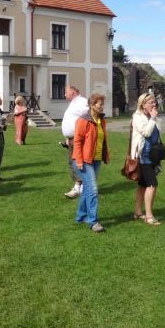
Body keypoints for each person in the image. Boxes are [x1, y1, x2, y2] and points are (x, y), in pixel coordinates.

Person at [73, 92, 109, 233]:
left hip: (96, 159)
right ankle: (93, 221)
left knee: (88, 189)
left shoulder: (101, 120)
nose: (102, 106)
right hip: (84, 160)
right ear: (92, 105)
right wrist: (79, 160)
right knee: (93, 189)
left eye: (102, 104)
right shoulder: (83, 120)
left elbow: (102, 140)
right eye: (100, 104)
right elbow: (77, 141)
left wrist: (106, 155)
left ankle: (81, 216)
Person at [130, 93, 163, 225]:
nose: (154, 104)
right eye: (151, 102)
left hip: (153, 154)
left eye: (154, 102)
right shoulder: (137, 117)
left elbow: (157, 134)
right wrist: (153, 118)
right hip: (144, 156)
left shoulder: (151, 116)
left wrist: (153, 117)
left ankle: (138, 212)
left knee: (143, 185)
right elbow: (146, 132)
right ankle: (149, 216)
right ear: (143, 104)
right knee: (152, 184)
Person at [61, 85, 88, 198]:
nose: (64, 94)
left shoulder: (82, 101)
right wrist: (68, 137)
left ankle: (81, 187)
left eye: (66, 92)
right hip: (71, 138)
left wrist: (78, 136)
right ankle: (78, 187)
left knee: (78, 162)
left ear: (73, 92)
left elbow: (87, 117)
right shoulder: (73, 103)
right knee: (72, 162)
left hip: (78, 138)